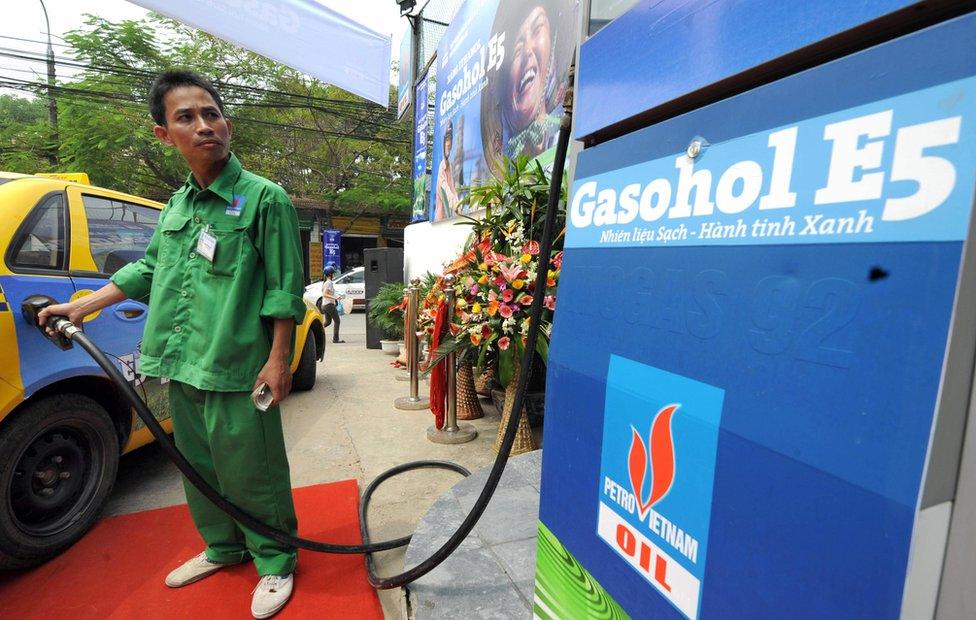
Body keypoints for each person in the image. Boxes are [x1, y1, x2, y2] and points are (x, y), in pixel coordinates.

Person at [38, 70, 304, 619]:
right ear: (164, 134)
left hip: (237, 365)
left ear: (226, 123)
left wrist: (279, 360)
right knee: (198, 468)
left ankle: (275, 559)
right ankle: (224, 548)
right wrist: (81, 305)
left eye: (211, 114)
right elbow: (149, 268)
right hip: (180, 362)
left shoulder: (264, 199)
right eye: (187, 117)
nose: (204, 126)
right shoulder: (177, 207)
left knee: (252, 471)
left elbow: (283, 289)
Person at [480, 0, 576, 170]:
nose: (527, 51)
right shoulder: (506, 169)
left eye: (537, 29)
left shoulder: (568, 138)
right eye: (517, 50)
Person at [433, 120, 460, 221]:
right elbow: (445, 189)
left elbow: (453, 189)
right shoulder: (442, 166)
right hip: (441, 221)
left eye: (450, 140)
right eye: (447, 140)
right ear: (443, 142)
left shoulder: (450, 166)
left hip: (449, 220)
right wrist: (455, 204)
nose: (449, 144)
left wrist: (459, 206)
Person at [319, 266, 344, 343]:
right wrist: (335, 298)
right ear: (330, 274)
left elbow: (327, 293)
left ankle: (317, 332)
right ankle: (335, 339)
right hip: (329, 305)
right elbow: (324, 294)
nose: (334, 275)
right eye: (333, 273)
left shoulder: (326, 282)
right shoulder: (328, 283)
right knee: (337, 321)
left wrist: (337, 296)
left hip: (325, 305)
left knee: (328, 322)